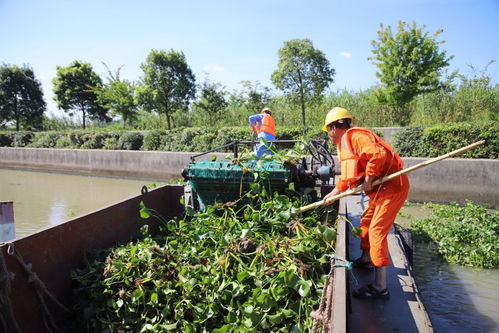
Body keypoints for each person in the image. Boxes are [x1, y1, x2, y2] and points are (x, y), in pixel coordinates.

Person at [322, 107, 410, 299]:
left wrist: (369, 180)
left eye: (328, 131)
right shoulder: (346, 144)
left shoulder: (356, 136)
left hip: (392, 189)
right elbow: (346, 179)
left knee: (377, 231)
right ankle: (366, 259)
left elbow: (376, 156)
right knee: (365, 223)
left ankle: (380, 286)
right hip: (380, 191)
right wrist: (333, 194)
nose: (329, 136)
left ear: (334, 128)